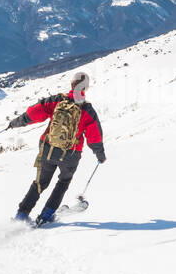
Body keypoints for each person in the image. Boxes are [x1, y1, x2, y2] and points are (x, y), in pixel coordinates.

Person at [8, 70, 105, 225]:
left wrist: (15, 123)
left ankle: (21, 215)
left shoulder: (57, 100)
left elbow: (34, 113)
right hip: (71, 155)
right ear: (85, 88)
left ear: (72, 85)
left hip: (48, 148)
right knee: (63, 182)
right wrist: (100, 155)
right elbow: (95, 138)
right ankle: (46, 216)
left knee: (40, 183)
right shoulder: (87, 110)